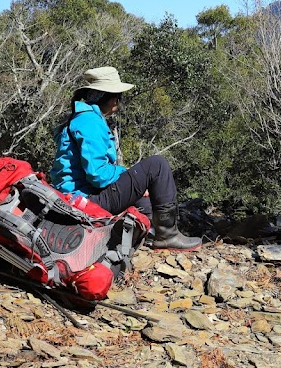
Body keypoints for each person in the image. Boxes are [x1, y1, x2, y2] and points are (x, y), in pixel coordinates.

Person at [49, 66, 201, 251]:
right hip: (84, 200)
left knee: (142, 197)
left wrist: (132, 182)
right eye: (119, 97)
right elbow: (98, 174)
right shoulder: (89, 121)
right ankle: (168, 236)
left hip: (76, 197)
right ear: (111, 98)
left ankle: (148, 234)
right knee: (157, 165)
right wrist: (127, 173)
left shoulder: (83, 118)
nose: (118, 102)